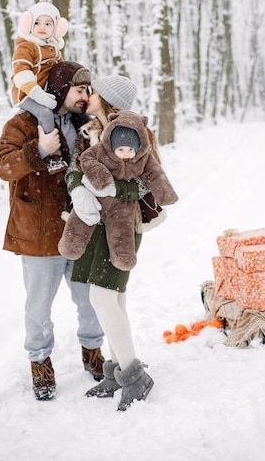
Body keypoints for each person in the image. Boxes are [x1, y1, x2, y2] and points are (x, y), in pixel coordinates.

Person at [60, 76, 179, 411]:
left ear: (108, 99)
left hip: (125, 227)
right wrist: (78, 189)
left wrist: (116, 191)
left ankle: (134, 375)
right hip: (94, 224)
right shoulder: (89, 133)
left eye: (94, 92)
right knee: (115, 300)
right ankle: (116, 371)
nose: (88, 95)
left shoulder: (136, 135)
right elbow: (74, 169)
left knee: (101, 297)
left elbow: (148, 183)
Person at [0, 61, 105, 402]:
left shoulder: (84, 125)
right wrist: (39, 150)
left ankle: (93, 352)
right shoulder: (22, 124)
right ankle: (40, 363)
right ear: (59, 90)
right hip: (38, 235)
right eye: (79, 90)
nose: (85, 96)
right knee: (39, 307)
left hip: (80, 230)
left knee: (90, 299)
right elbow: (4, 166)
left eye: (87, 90)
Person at [58, 110, 178, 271]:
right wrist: (99, 177)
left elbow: (155, 174)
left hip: (124, 204)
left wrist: (165, 194)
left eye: (131, 150)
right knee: (82, 218)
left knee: (121, 230)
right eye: (121, 150)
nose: (126, 155)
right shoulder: (99, 147)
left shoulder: (144, 157)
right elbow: (86, 159)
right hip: (95, 197)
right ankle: (72, 243)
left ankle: (123, 255)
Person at [11, 0, 69, 174]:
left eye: (48, 23)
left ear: (56, 27)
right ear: (29, 24)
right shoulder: (26, 46)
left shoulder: (54, 50)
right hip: (26, 94)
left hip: (46, 93)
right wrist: (36, 92)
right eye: (37, 22)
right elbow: (21, 71)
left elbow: (62, 71)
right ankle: (54, 156)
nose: (42, 26)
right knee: (44, 112)